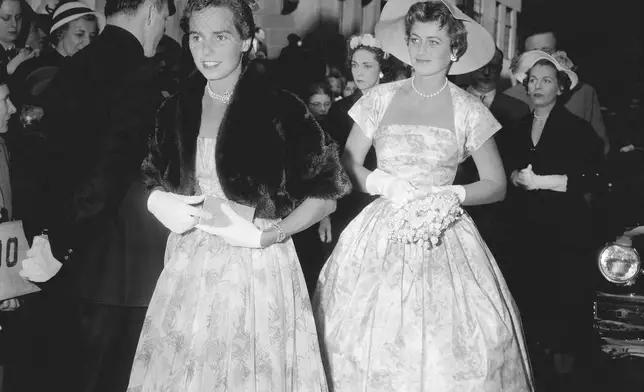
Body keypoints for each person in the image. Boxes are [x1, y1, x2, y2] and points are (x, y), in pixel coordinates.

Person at [127, 0, 351, 390]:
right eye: (196, 37)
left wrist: (269, 234)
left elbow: (327, 192)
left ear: (246, 41)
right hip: (189, 265)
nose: (206, 50)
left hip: (258, 266)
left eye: (221, 36)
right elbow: (148, 175)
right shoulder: (175, 108)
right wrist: (156, 199)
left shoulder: (281, 108)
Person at [313, 1, 533, 390]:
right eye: (416, 39)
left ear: (454, 49)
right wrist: (385, 184)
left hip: (443, 231)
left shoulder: (469, 109)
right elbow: (346, 163)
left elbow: (496, 184)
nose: (422, 50)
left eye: (434, 41)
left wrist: (449, 194)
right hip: (381, 229)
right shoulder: (379, 98)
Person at [18, 0, 175, 390]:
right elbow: (109, 170)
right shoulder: (139, 72)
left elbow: (50, 164)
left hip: (73, 257)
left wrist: (54, 238)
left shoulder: (74, 67)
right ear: (153, 11)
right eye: (163, 22)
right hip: (121, 268)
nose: (161, 32)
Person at [503, 50, 604, 380]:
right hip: (524, 227)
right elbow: (502, 170)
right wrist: (514, 177)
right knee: (527, 291)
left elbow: (595, 177)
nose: (537, 86)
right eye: (533, 80)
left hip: (564, 230)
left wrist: (550, 182)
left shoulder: (578, 129)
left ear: (560, 87)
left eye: (546, 80)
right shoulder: (516, 127)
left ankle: (563, 365)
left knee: (561, 294)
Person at [503, 28, 609, 154]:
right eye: (534, 52)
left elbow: (601, 148)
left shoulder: (584, 93)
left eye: (547, 51)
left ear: (560, 54)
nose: (541, 58)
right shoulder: (509, 98)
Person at [12, 1, 104, 105]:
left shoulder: (95, 72)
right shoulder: (31, 67)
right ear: (60, 33)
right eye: (79, 34)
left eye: (92, 36)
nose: (88, 42)